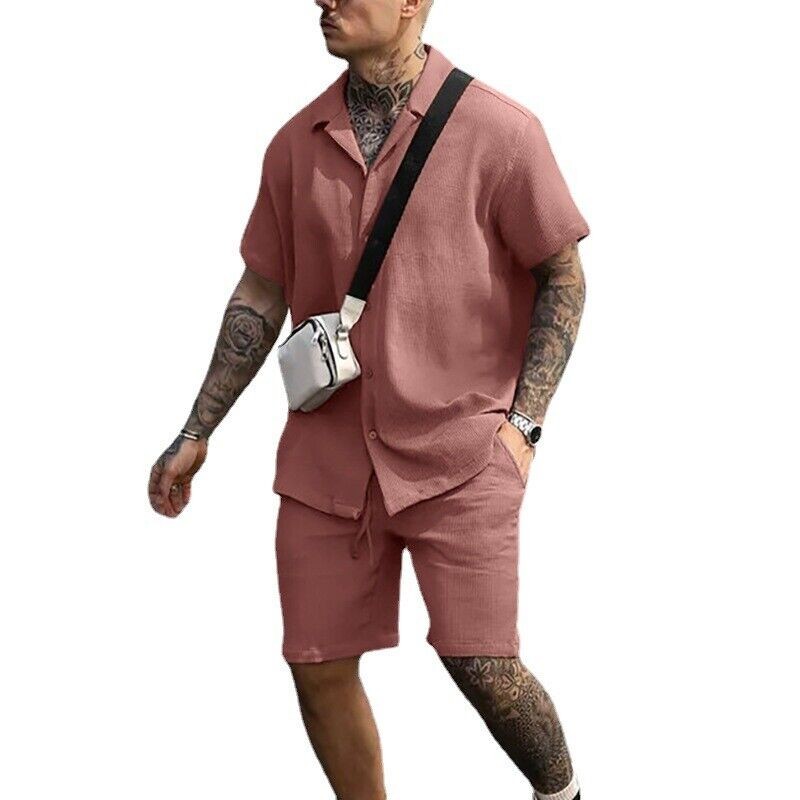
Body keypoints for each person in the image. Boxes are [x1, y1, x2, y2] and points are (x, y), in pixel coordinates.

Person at [148, 1, 590, 798]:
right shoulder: (295, 144)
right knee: (316, 665)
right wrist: (196, 428)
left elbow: (562, 274)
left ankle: (563, 794)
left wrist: (525, 423)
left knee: (483, 664)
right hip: (326, 460)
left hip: (462, 453)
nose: (325, 0)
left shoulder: (502, 132)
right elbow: (261, 293)